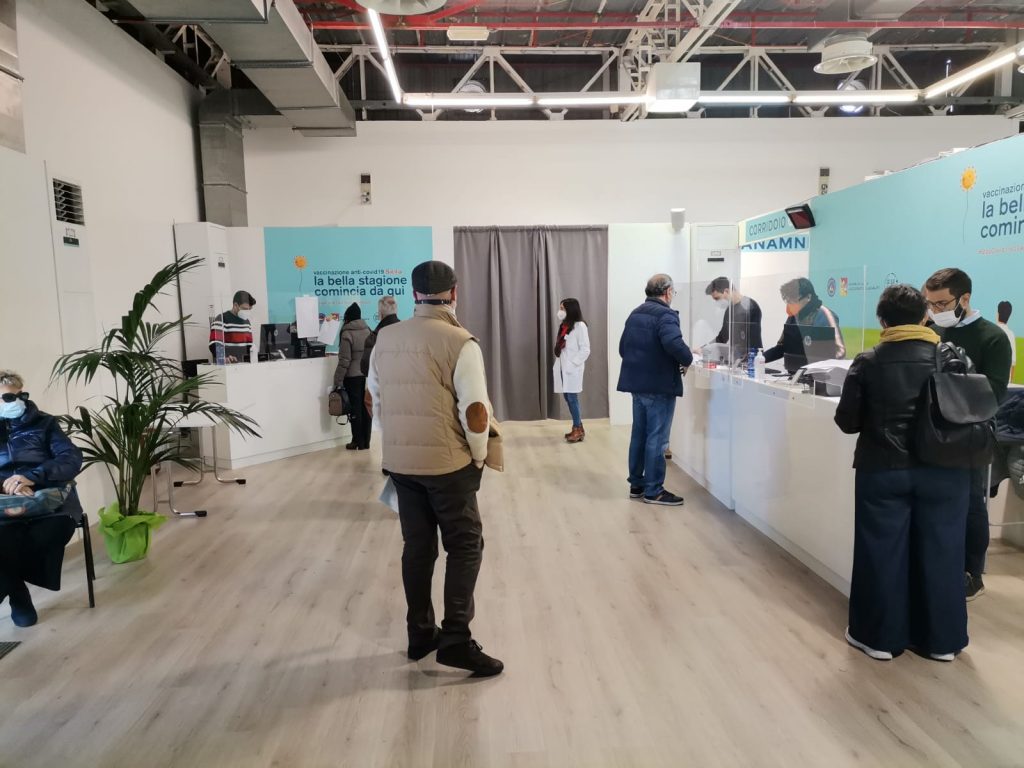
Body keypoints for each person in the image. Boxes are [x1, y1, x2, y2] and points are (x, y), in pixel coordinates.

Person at [366, 261, 503, 677]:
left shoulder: (386, 338)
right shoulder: (461, 342)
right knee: (465, 545)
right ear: (454, 293)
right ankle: (456, 640)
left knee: (418, 546)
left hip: (401, 463)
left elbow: (374, 399)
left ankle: (420, 633)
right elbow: (476, 412)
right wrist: (478, 456)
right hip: (448, 464)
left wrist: (394, 441)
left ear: (413, 294)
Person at [835, 285, 971, 662]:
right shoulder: (951, 356)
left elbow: (847, 422)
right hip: (946, 471)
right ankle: (942, 642)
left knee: (880, 552)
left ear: (882, 321)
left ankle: (878, 639)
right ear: (924, 316)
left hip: (884, 469)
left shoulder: (869, 361)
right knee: (943, 552)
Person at [923, 268, 1012, 601]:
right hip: (934, 431)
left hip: (971, 434)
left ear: (964, 298)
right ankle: (940, 567)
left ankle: (972, 574)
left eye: (942, 303)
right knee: (937, 502)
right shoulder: (933, 332)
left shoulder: (993, 337)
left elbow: (995, 393)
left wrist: (954, 386)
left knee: (972, 503)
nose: (936, 310)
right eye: (931, 304)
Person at [0, 371, 83, 627]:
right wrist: (9, 485)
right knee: (3, 538)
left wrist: (32, 477)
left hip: (49, 498)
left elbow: (70, 459)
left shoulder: (45, 423)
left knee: (54, 530)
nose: (14, 402)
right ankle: (19, 595)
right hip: (4, 501)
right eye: (6, 397)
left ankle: (10, 586)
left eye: (19, 396)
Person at [617, 274, 693, 507]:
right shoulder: (666, 315)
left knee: (639, 435)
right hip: (659, 386)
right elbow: (673, 343)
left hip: (637, 385)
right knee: (657, 439)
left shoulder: (635, 313)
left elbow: (623, 348)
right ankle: (654, 491)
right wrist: (688, 359)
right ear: (668, 292)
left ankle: (637, 485)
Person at [763, 277, 845, 374]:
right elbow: (781, 347)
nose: (790, 305)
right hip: (795, 375)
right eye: (788, 301)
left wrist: (817, 366)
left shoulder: (825, 315)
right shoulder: (793, 317)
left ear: (808, 297)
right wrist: (758, 359)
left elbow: (841, 351)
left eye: (793, 301)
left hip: (820, 377)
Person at [553, 298, 591, 444]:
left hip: (572, 369)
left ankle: (577, 428)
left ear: (571, 309)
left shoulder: (580, 326)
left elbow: (585, 349)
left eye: (563, 308)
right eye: (560, 308)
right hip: (563, 367)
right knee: (568, 397)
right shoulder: (565, 326)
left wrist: (572, 364)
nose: (560, 311)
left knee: (572, 398)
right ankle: (578, 427)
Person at [335, 303, 372, 451]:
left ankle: (357, 441)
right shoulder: (368, 330)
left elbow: (344, 360)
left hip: (352, 377)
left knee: (355, 409)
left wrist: (337, 380)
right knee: (365, 408)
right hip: (366, 375)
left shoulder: (347, 333)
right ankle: (366, 442)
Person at [705, 277, 763, 365]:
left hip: (750, 362)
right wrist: (704, 348)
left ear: (726, 291)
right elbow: (722, 337)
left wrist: (748, 362)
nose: (717, 302)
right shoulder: (729, 310)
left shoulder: (750, 306)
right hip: (735, 361)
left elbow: (754, 341)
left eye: (717, 298)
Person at [209, 290, 256, 364]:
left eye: (249, 309)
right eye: (245, 309)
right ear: (235, 305)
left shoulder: (247, 322)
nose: (247, 312)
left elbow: (249, 346)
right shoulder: (221, 319)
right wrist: (224, 357)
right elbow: (214, 344)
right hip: (228, 365)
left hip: (244, 365)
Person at [360, 296, 401, 377]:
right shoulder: (406, 331)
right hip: (404, 381)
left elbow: (366, 368)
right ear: (396, 312)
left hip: (383, 381)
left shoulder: (375, 336)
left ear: (380, 314)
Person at [997, 300, 1016, 380]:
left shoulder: (992, 330)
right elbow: (1013, 362)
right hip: (1006, 381)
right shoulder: (1011, 334)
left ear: (997, 314)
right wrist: (1011, 381)